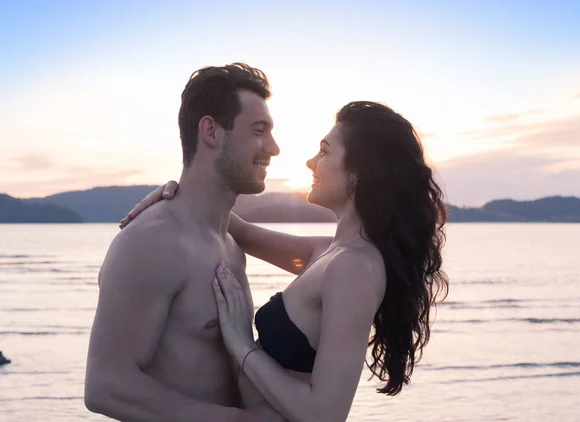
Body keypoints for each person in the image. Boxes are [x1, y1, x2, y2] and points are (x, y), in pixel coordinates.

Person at [121, 101, 450, 421]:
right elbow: (240, 231)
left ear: (360, 172)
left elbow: (325, 414)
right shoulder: (327, 252)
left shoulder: (354, 269)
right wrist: (177, 193)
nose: (310, 161)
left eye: (324, 151)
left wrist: (242, 345)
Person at [84, 63, 286, 421]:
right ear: (211, 130)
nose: (273, 147)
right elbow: (106, 386)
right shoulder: (152, 241)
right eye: (259, 131)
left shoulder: (229, 243)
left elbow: (332, 258)